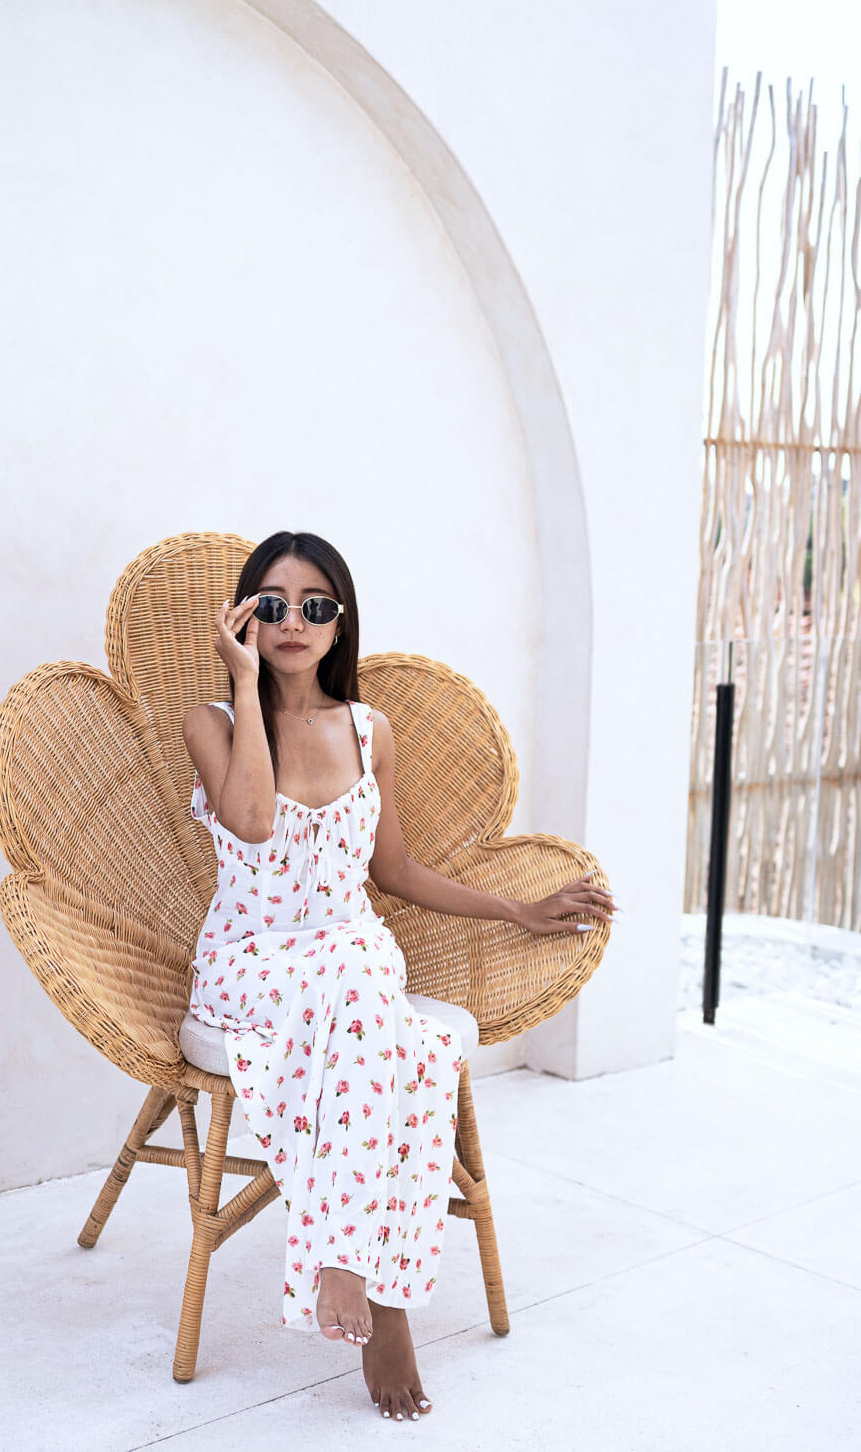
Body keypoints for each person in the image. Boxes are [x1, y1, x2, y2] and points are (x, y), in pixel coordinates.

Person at [181, 530, 617, 1422]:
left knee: (399, 1033)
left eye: (315, 605)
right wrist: (242, 682)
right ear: (242, 616)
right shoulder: (215, 722)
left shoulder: (370, 729)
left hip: (348, 951)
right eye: (271, 604)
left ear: (341, 622)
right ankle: (381, 1296)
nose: (292, 621)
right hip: (253, 961)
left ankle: (353, 1269)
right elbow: (254, 825)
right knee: (387, 1030)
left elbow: (396, 875)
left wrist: (517, 908)